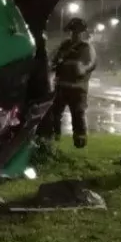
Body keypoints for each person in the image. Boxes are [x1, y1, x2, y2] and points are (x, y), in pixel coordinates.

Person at [48, 17, 97, 148]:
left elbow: (91, 64)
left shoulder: (86, 47)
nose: (74, 34)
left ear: (83, 32)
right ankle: (54, 137)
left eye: (77, 31)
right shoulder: (65, 45)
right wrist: (54, 63)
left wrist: (83, 69)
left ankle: (80, 141)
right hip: (61, 86)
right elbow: (53, 60)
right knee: (54, 113)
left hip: (78, 88)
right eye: (72, 31)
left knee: (78, 114)